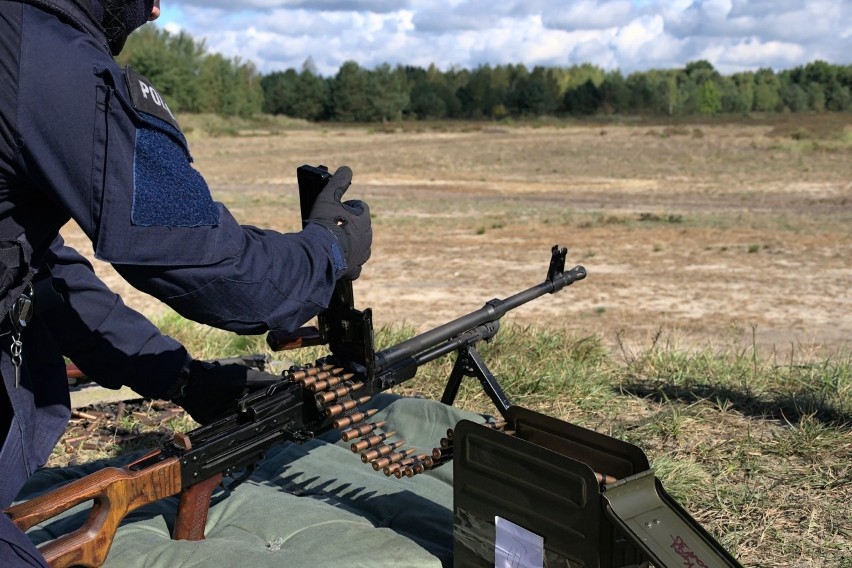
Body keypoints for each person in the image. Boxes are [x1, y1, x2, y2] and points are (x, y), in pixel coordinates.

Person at [0, 0, 372, 564]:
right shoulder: (52, 65)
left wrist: (183, 379)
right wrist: (325, 253)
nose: (154, 9)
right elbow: (208, 265)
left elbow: (38, 272)